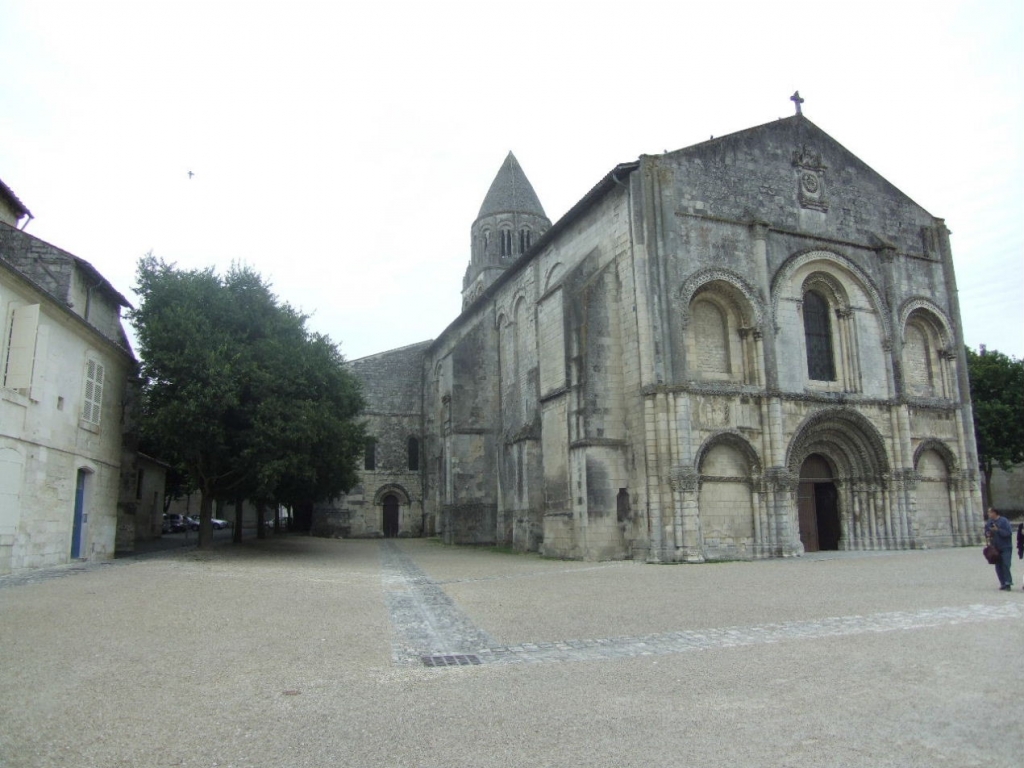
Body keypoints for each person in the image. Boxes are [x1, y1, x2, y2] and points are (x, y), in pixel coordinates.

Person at [983, 508, 1013, 591]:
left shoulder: (1004, 521)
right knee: (998, 566)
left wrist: (998, 530)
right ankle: (1003, 583)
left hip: (1006, 546)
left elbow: (1008, 533)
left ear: (994, 513)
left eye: (989, 512)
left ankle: (1008, 583)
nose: (988, 514)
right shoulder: (989, 522)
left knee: (1005, 564)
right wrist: (988, 533)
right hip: (995, 548)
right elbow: (986, 532)